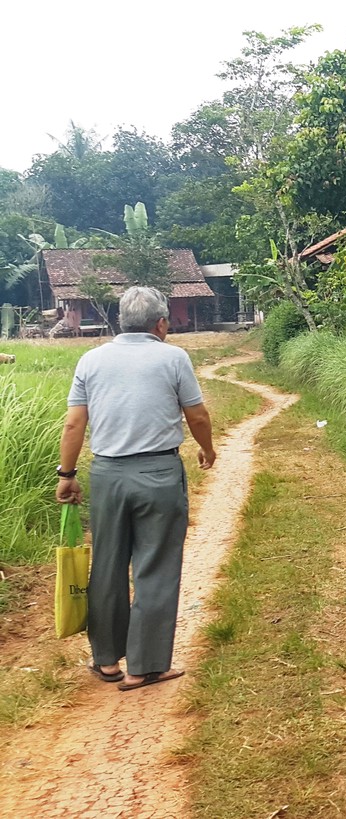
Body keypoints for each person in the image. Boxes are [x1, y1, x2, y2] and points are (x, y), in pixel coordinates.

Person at [53, 286, 217, 691]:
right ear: (161, 323)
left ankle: (107, 662)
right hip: (159, 474)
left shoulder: (91, 359)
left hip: (107, 476)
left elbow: (74, 424)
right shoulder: (173, 357)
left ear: (121, 320)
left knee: (107, 565)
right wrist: (208, 450)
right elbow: (196, 414)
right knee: (156, 568)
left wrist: (67, 474)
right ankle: (144, 666)